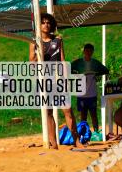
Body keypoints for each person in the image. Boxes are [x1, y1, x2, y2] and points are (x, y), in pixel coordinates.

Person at [28, 12, 82, 149]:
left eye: (48, 22)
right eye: (43, 22)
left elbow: (63, 61)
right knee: (48, 112)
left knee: (68, 111)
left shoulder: (57, 40)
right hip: (44, 81)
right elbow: (32, 63)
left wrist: (65, 79)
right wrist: (36, 50)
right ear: (38, 25)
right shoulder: (33, 42)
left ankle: (76, 141)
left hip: (58, 80)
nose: (46, 25)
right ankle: (54, 144)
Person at [71, 43, 109, 131]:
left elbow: (106, 70)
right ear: (84, 51)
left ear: (92, 52)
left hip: (92, 93)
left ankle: (96, 131)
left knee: (93, 114)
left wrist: (96, 75)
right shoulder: (78, 62)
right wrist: (76, 76)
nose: (88, 52)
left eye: (90, 51)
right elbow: (68, 69)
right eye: (87, 50)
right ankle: (83, 132)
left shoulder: (95, 63)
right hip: (81, 93)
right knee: (83, 115)